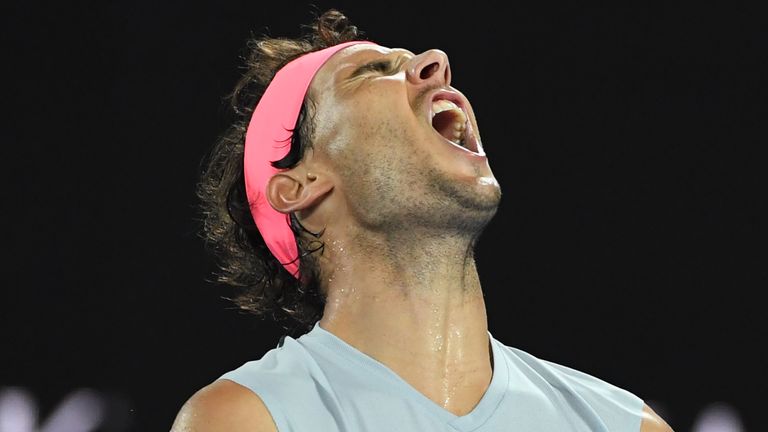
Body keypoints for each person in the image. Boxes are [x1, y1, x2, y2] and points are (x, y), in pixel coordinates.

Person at [170, 9, 673, 432]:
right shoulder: (247, 419)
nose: (437, 64)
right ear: (299, 186)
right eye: (370, 72)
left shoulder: (626, 425)